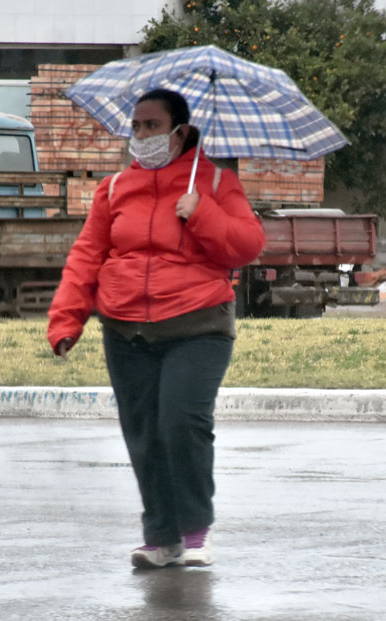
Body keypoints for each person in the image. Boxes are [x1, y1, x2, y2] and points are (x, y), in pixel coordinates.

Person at [47, 88, 266, 569]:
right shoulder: (112, 189)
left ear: (180, 132)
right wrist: (67, 318)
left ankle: (194, 530)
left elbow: (248, 244)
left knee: (181, 423)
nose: (141, 135)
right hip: (127, 331)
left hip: (198, 325)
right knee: (144, 433)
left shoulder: (214, 181)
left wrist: (202, 212)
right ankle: (161, 536)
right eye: (137, 126)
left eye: (152, 126)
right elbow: (86, 257)